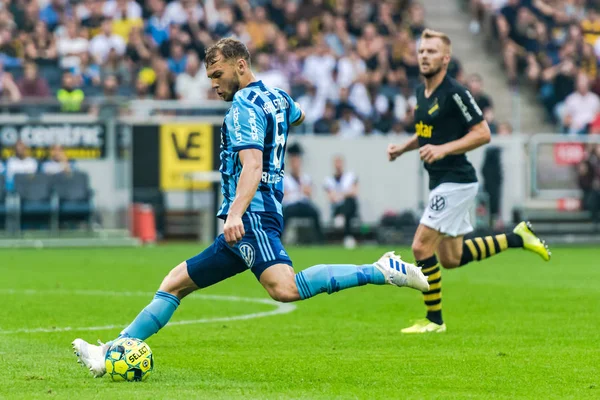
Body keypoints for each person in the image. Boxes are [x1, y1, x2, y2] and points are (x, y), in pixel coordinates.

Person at [72, 38, 429, 377]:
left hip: (250, 217)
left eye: (218, 75)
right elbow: (298, 115)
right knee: (175, 283)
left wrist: (235, 214)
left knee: (285, 288)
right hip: (258, 214)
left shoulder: (243, 107)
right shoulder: (278, 97)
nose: (214, 84)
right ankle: (111, 351)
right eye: (210, 77)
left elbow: (253, 166)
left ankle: (381, 270)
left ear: (240, 66)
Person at [387, 29, 551, 334]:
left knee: (421, 248)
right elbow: (426, 132)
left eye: (432, 51)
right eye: (422, 51)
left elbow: (482, 133)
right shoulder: (421, 93)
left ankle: (434, 321)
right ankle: (518, 237)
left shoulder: (456, 93)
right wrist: (403, 148)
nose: (424, 56)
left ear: (446, 58)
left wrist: (442, 149)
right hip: (442, 181)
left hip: (456, 180)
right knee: (451, 258)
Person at [282, 143, 323, 243]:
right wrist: (299, 190)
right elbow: (285, 194)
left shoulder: (304, 177)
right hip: (290, 206)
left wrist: (296, 189)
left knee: (315, 212)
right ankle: (280, 239)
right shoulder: (285, 178)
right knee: (284, 215)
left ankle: (320, 240)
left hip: (303, 204)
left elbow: (309, 193)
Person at [324, 155, 360, 249]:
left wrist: (340, 195)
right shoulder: (329, 180)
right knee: (344, 204)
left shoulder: (350, 176)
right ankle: (348, 237)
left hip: (350, 206)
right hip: (337, 207)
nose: (338, 165)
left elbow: (354, 192)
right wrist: (344, 194)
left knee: (349, 202)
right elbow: (331, 197)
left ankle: (341, 216)